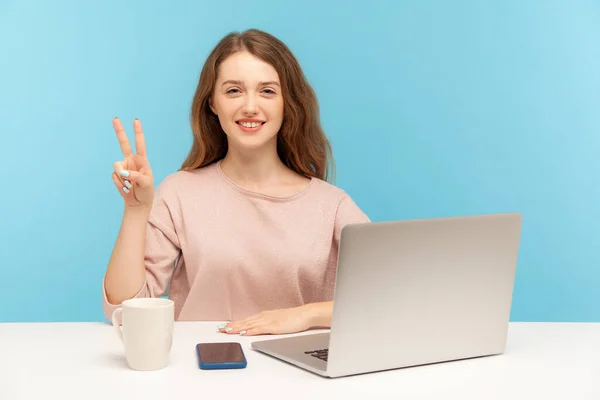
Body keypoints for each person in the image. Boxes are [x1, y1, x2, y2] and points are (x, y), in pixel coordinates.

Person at [102, 29, 370, 337]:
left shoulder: (332, 205)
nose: (250, 107)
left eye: (268, 91)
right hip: (198, 368)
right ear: (212, 103)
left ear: (288, 103)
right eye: (233, 91)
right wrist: (136, 211)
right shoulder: (179, 192)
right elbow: (124, 309)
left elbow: (388, 293)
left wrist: (305, 315)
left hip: (297, 376)